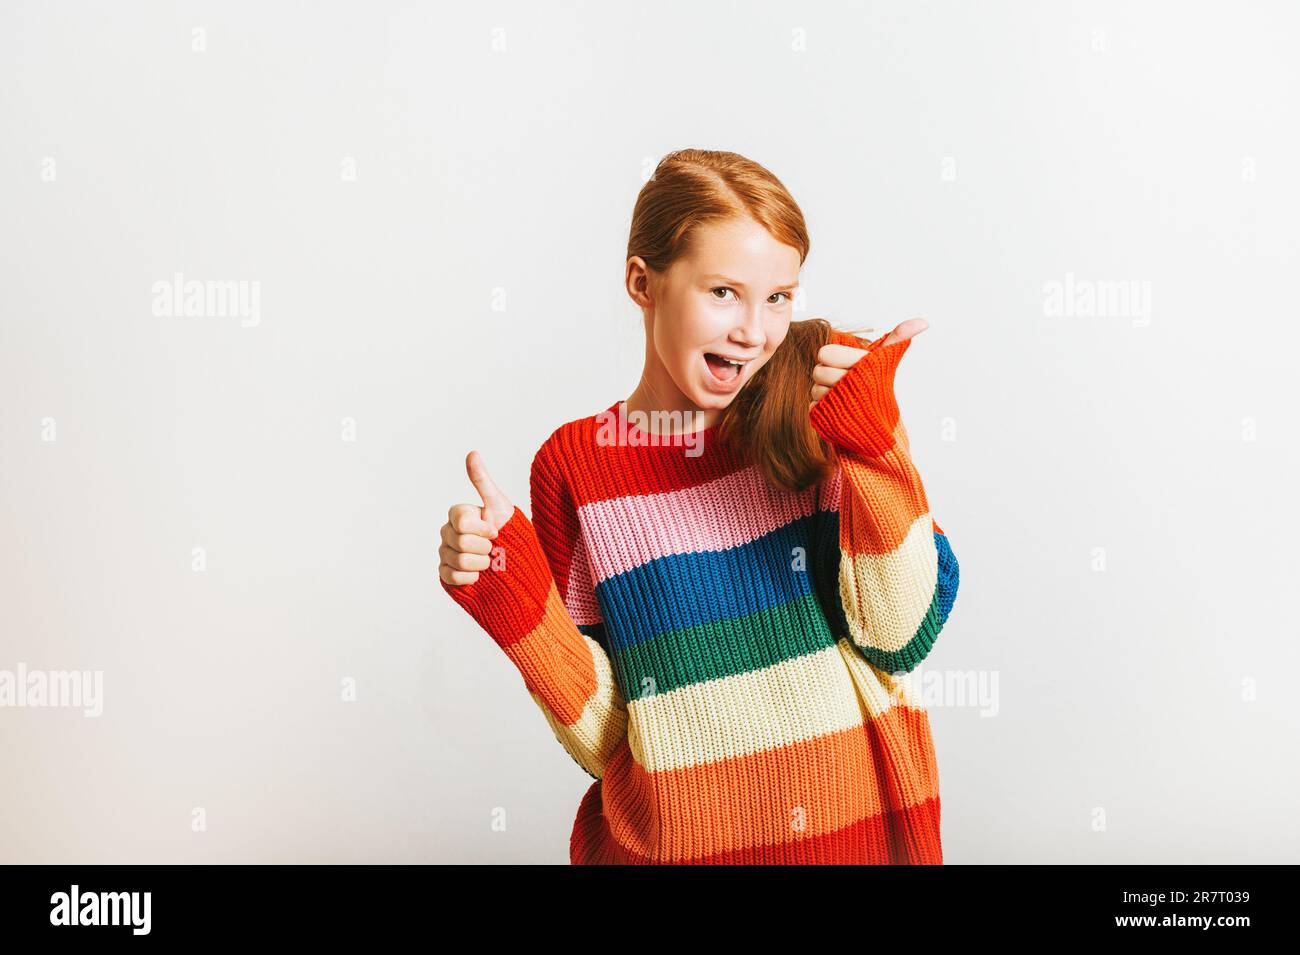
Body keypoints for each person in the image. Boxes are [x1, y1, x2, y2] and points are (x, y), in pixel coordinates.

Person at [438, 148, 960, 864]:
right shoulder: (574, 467)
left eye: (778, 297)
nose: (754, 330)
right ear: (641, 282)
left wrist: (875, 449)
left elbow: (899, 637)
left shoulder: (823, 411)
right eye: (724, 292)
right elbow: (610, 742)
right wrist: (516, 601)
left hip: (857, 843)